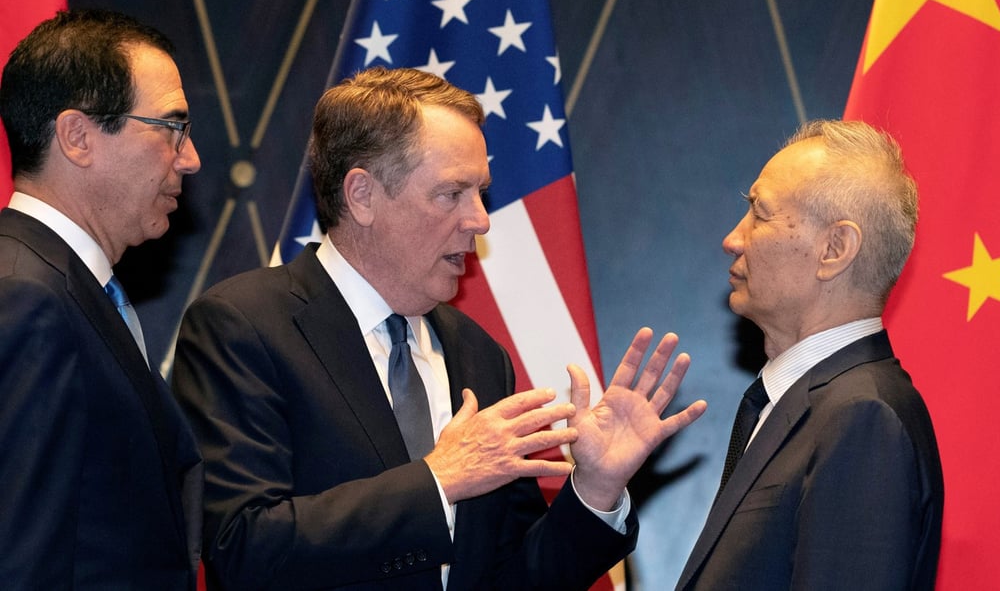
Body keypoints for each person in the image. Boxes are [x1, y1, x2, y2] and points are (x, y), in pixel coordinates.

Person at [171, 66, 707, 590]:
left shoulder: (478, 354)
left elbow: (513, 575)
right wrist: (437, 482)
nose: (480, 219)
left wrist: (595, 490)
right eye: (452, 193)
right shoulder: (244, 326)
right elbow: (241, 548)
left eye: (481, 193)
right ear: (362, 196)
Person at [675, 120, 943, 590]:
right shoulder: (814, 404)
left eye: (760, 212)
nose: (733, 239)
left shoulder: (863, 419)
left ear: (834, 249)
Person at [0, 9, 203, 589]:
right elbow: (21, 557)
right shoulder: (25, 298)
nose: (189, 158)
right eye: (171, 127)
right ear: (78, 137)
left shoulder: (60, 286)